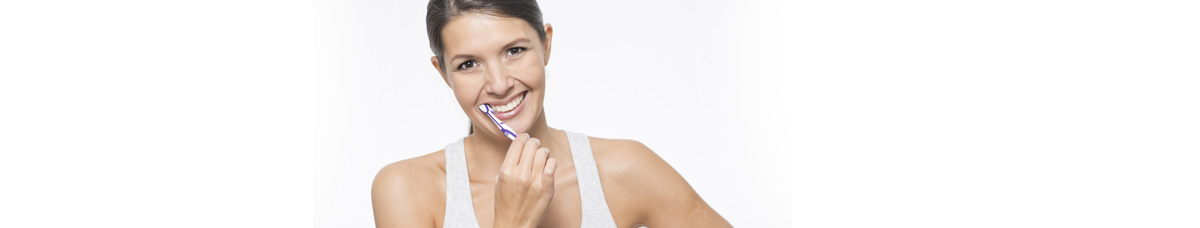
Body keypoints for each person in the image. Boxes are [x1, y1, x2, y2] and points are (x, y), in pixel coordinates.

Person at [371, 0, 733, 227]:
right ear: (443, 74)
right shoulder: (406, 190)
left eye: (514, 50)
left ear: (545, 44)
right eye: (468, 64)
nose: (498, 84)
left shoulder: (625, 169)